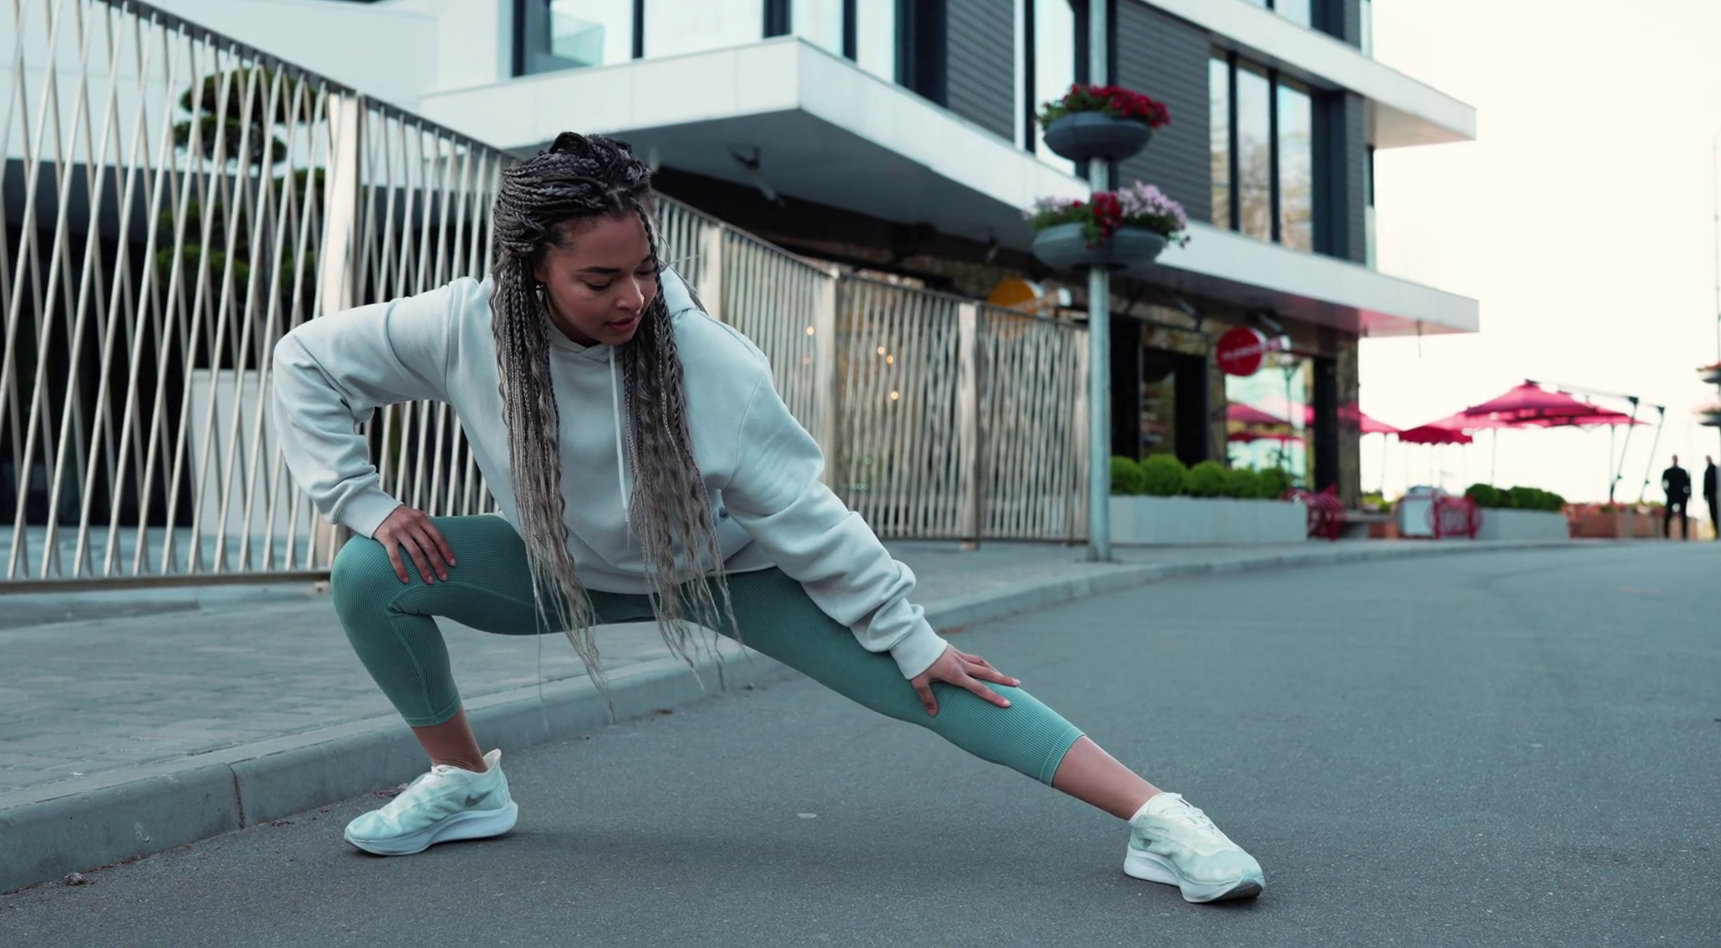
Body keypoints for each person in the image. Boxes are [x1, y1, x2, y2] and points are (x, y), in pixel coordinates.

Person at [271, 133, 1264, 904]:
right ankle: (465, 784)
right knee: (368, 572)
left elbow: (804, 514)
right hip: (558, 569)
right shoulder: (464, 322)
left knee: (931, 679)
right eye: (601, 280)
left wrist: (909, 635)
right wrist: (366, 502)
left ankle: (1158, 818)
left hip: (728, 572)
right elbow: (306, 361)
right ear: (532, 270)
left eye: (645, 269)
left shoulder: (706, 360)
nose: (633, 298)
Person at [1662, 456, 1692, 541]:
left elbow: (1687, 484)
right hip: (1671, 494)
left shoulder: (1682, 471)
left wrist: (1687, 494)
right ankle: (1666, 534)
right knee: (1668, 514)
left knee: (1683, 514)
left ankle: (1684, 534)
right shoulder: (1668, 471)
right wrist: (1667, 492)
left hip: (1681, 495)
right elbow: (1663, 482)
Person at [1706, 456, 1718, 542]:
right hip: (1710, 495)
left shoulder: (1715, 469)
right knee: (1713, 514)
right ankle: (1716, 531)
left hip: (1715, 495)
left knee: (1716, 513)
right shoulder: (1707, 470)